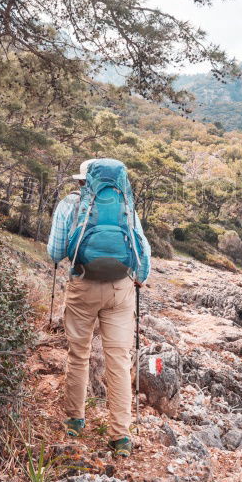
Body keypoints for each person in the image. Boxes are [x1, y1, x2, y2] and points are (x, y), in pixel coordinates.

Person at [47, 158, 151, 458]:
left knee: (78, 354)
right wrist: (138, 280)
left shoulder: (69, 204)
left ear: (84, 180)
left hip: (83, 285)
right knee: (118, 361)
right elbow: (142, 252)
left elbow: (54, 252)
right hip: (121, 290)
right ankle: (121, 437)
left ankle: (75, 422)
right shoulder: (126, 205)